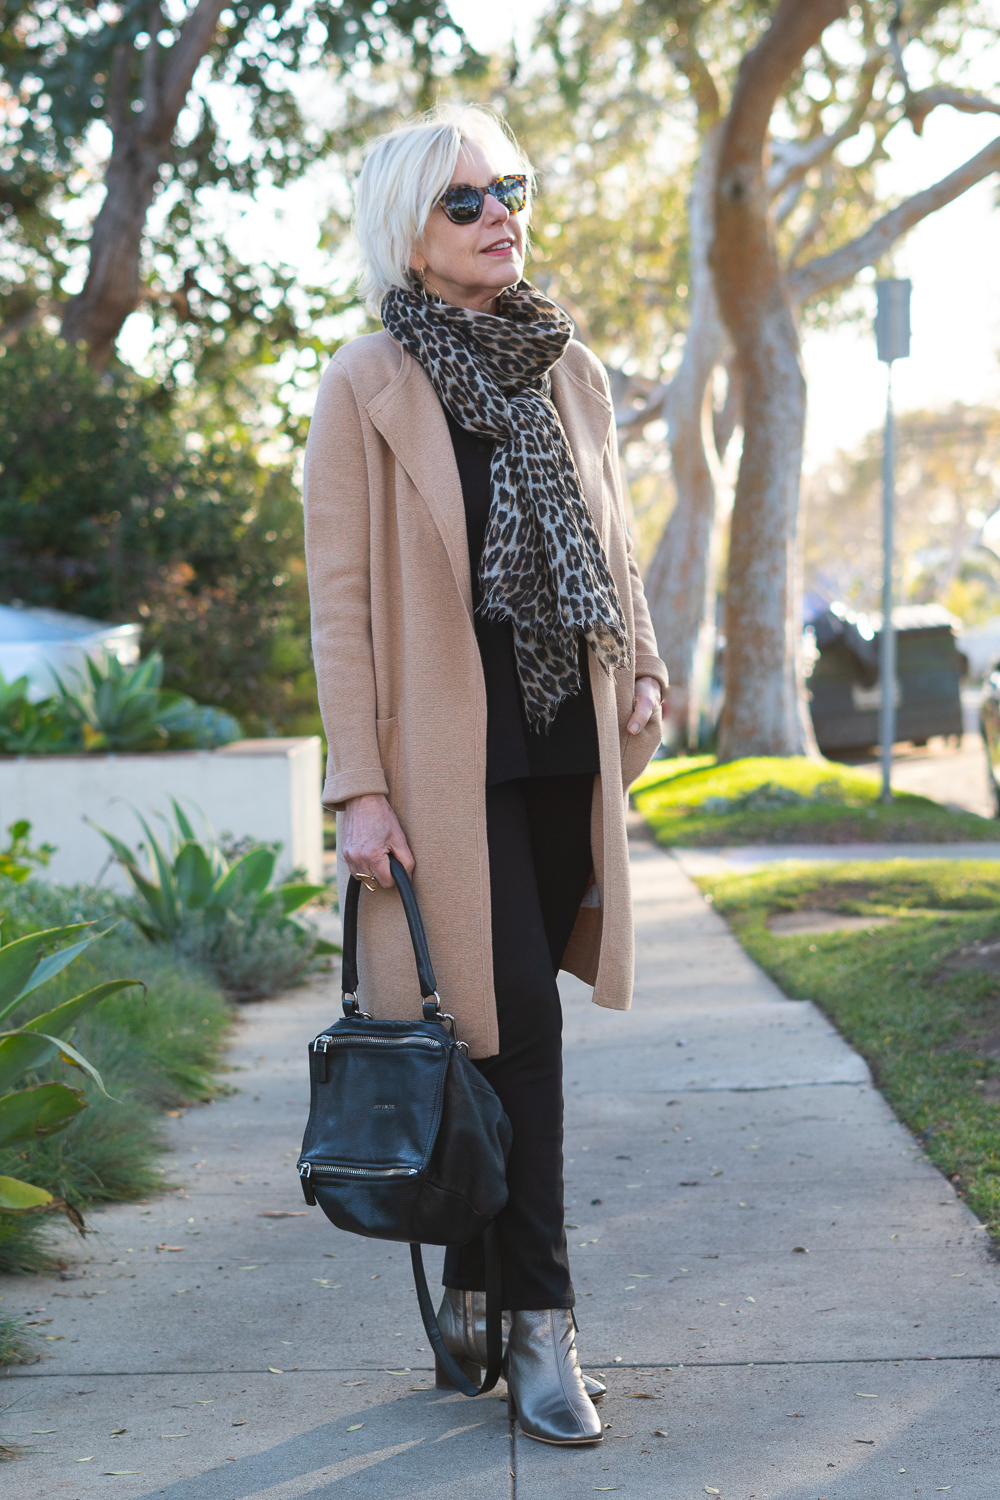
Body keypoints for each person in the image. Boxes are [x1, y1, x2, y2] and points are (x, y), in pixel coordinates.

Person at [303, 104, 668, 1447]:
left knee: (511, 1027)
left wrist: (645, 661)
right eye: (465, 200)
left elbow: (618, 544)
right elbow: (339, 607)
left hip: (568, 743)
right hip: (448, 765)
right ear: (410, 228)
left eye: (506, 188)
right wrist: (360, 790)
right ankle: (543, 1329)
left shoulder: (572, 368)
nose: (499, 213)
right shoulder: (363, 386)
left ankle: (473, 1272)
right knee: (520, 1023)